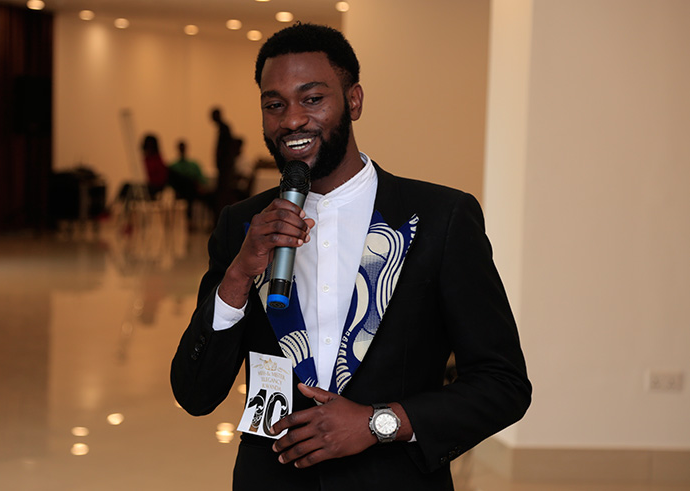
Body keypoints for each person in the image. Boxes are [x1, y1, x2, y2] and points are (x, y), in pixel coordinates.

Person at [171, 23, 531, 490]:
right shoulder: (241, 225)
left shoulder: (442, 219)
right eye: (274, 104)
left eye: (312, 98)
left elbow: (502, 384)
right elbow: (195, 393)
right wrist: (238, 275)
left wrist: (377, 423)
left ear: (354, 101)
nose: (292, 119)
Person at [211, 107, 239, 217]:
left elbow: (225, 150)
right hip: (224, 168)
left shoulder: (224, 129)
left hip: (225, 168)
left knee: (222, 195)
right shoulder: (223, 128)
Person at [141, 133, 168, 198]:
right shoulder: (147, 159)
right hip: (151, 186)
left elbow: (161, 177)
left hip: (155, 187)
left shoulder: (156, 159)